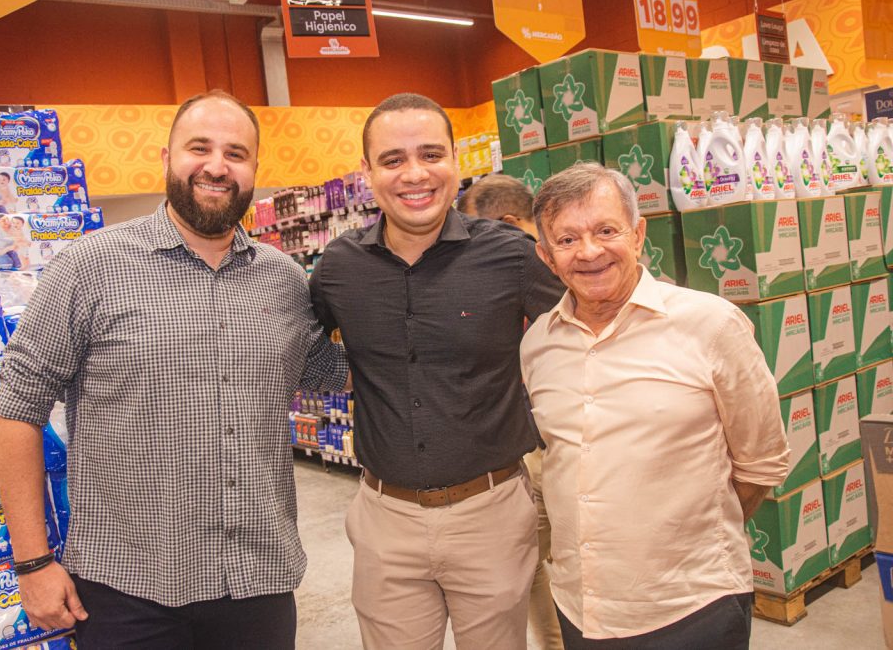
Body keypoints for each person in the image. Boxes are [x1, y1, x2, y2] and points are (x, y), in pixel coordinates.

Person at [0, 89, 349, 649]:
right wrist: (33, 562)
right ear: (166, 159)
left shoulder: (283, 278)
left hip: (257, 580)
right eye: (199, 148)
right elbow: (17, 408)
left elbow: (330, 372)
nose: (217, 166)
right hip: (128, 589)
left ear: (255, 169)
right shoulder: (89, 267)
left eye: (236, 153)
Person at [310, 93, 564, 649]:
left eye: (430, 154)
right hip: (385, 518)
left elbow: (590, 330)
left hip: (492, 513)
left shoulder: (513, 256)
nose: (415, 174)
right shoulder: (338, 267)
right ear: (368, 173)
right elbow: (301, 350)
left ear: (454, 161)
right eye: (393, 159)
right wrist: (347, 375)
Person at [521, 163, 790, 648]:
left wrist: (684, 540)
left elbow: (760, 464)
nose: (589, 252)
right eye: (567, 239)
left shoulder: (711, 325)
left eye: (607, 231)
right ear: (546, 256)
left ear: (638, 234)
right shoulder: (538, 343)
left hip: (692, 606)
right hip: (580, 610)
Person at [459, 173, 562, 650]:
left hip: (553, 450)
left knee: (544, 562)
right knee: (530, 565)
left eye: (472, 230)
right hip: (532, 448)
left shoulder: (549, 270)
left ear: (506, 223)